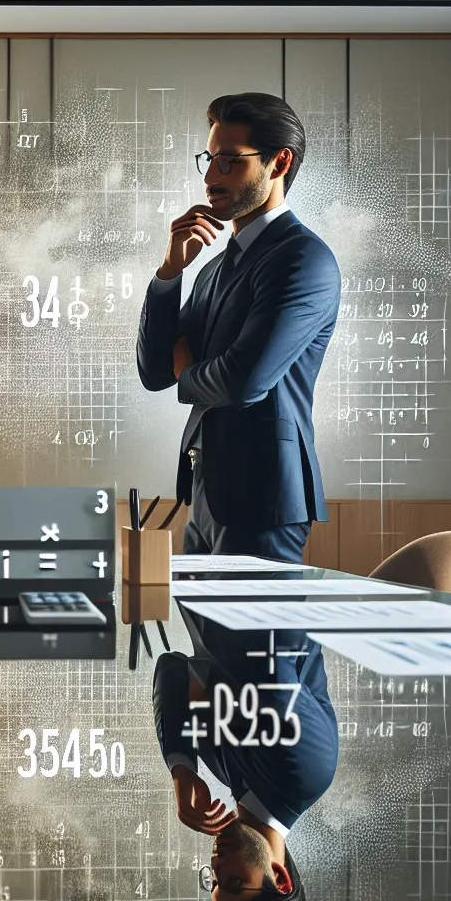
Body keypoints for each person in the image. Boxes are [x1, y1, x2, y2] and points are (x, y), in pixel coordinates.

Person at [135, 92, 341, 565]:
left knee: (264, 640)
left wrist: (189, 371)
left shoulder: (303, 260)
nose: (210, 177)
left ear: (279, 162)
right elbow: (154, 372)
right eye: (209, 159)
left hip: (263, 498)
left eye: (229, 161)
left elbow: (244, 380)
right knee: (209, 640)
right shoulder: (212, 269)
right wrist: (169, 273)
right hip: (206, 491)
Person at [152, 611, 339, 901]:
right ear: (279, 878)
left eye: (214, 883)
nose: (216, 867)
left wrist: (181, 767)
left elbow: (172, 669)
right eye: (235, 882)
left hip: (202, 568)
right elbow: (264, 633)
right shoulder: (303, 774)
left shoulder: (221, 770)